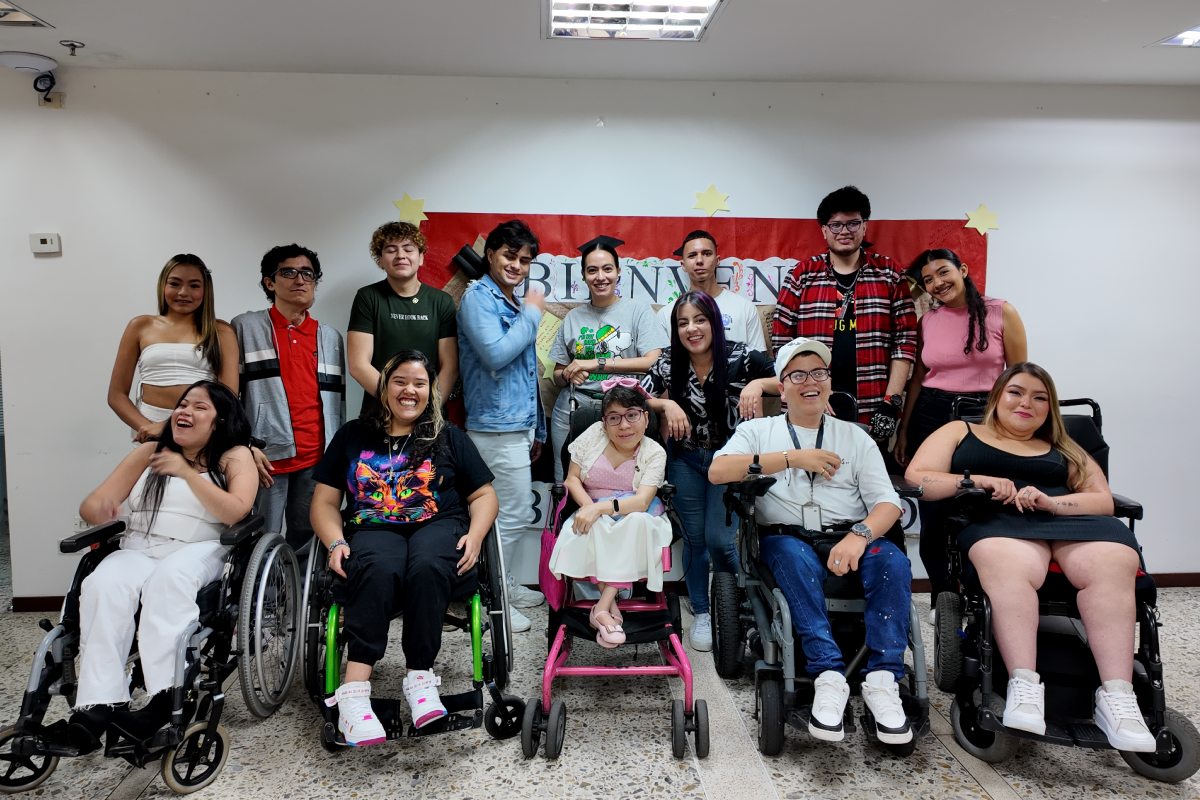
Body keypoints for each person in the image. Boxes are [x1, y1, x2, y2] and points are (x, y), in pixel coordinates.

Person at [904, 362, 1154, 751]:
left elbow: (1101, 499)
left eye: (1040, 397)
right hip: (997, 520)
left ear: (1049, 407)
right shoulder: (961, 431)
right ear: (997, 397)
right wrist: (975, 481)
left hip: (1070, 521)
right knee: (1010, 563)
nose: (1027, 403)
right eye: (1016, 392)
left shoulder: (1065, 445)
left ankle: (1117, 697)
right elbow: (919, 478)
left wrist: (1051, 502)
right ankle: (1024, 684)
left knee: (1113, 561)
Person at [709, 337, 913, 746]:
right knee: (792, 556)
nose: (810, 382)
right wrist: (792, 458)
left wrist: (859, 536)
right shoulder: (758, 430)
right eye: (797, 375)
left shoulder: (855, 436)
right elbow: (718, 471)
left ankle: (883, 679)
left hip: (849, 534)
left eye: (818, 373)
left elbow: (889, 504)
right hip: (787, 538)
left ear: (829, 381)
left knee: (892, 561)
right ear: (781, 386)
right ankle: (828, 674)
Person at [310, 350, 499, 745]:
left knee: (428, 565)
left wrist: (477, 534)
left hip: (439, 522)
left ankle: (420, 679)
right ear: (384, 387)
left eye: (419, 383)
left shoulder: (448, 435)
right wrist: (336, 541)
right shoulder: (352, 435)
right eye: (400, 381)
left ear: (430, 391)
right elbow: (324, 503)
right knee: (377, 567)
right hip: (374, 526)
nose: (409, 391)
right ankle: (354, 695)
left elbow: (483, 495)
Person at [69, 381, 256, 750]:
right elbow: (94, 503)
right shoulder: (151, 452)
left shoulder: (234, 456)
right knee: (104, 583)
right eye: (182, 405)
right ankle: (99, 702)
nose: (185, 411)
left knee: (169, 580)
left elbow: (237, 511)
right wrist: (100, 509)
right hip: (140, 546)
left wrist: (186, 473)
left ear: (219, 422)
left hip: (201, 547)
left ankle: (165, 698)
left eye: (199, 407)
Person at [640, 290, 778, 651]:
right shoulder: (669, 361)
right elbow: (637, 398)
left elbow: (789, 379)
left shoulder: (742, 356)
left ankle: (732, 604)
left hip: (728, 461)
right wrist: (665, 403)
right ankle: (703, 611)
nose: (692, 329)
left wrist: (757, 384)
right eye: (683, 322)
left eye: (700, 320)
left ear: (714, 321)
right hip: (685, 459)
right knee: (696, 539)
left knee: (719, 539)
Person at [892, 248, 1027, 605]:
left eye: (943, 273)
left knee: (985, 504)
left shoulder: (1002, 312)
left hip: (984, 417)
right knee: (934, 509)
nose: (937, 283)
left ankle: (985, 593)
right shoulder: (929, 321)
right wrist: (905, 430)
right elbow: (918, 378)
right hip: (932, 414)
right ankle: (943, 594)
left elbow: (1019, 378)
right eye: (928, 280)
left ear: (963, 270)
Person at [457, 219, 548, 633]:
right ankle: (494, 599)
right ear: (491, 254)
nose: (517, 265)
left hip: (514, 426)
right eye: (510, 256)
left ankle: (505, 583)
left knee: (509, 514)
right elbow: (496, 355)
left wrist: (536, 429)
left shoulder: (508, 301)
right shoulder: (479, 298)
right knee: (507, 516)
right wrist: (532, 313)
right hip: (493, 428)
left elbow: (526, 374)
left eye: (525, 259)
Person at [770, 186, 916, 440]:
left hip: (873, 404)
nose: (845, 231)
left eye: (853, 223)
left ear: (865, 226)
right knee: (808, 474)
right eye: (836, 225)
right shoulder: (802, 275)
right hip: (810, 402)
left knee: (866, 477)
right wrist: (810, 389)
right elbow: (782, 342)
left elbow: (905, 342)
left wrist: (891, 402)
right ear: (824, 230)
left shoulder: (889, 273)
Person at [232, 244, 346, 552]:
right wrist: (244, 446)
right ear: (270, 282)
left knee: (308, 537)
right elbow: (229, 396)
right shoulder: (246, 327)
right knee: (259, 538)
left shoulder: (330, 337)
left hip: (316, 459)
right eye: (288, 272)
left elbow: (339, 405)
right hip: (265, 459)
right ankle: (259, 599)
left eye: (307, 273)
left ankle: (299, 598)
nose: (300, 280)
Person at [548, 380, 673, 648]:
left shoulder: (654, 452)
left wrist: (600, 508)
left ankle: (602, 606)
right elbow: (572, 480)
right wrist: (589, 508)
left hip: (640, 514)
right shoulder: (594, 435)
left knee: (635, 521)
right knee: (598, 525)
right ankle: (608, 607)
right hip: (591, 509)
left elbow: (642, 501)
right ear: (604, 423)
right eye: (614, 418)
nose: (624, 425)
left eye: (632, 415)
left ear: (645, 417)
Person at [549, 236, 668, 482]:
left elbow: (653, 361)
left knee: (622, 483)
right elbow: (557, 375)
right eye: (592, 270)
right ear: (583, 275)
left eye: (607, 269)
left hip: (624, 412)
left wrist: (596, 364)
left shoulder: (638, 310)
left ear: (617, 272)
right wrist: (570, 372)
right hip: (574, 409)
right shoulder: (573, 318)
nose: (600, 277)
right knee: (567, 483)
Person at [108, 254, 239, 442]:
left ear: (206, 290)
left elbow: (228, 397)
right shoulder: (140, 325)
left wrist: (172, 427)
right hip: (150, 429)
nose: (183, 292)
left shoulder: (221, 331)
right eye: (175, 284)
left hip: (202, 430)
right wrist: (147, 427)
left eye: (194, 286)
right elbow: (116, 395)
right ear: (163, 286)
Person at [347, 221, 458, 416]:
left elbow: (450, 366)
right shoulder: (368, 297)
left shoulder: (441, 301)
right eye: (391, 250)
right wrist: (398, 405)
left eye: (408, 249)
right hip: (379, 412)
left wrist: (428, 407)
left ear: (421, 257)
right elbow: (358, 365)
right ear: (380, 260)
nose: (400, 255)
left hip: (429, 413)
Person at [656, 230, 767, 352]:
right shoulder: (666, 314)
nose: (699, 260)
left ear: (717, 260)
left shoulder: (745, 307)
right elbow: (663, 363)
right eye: (692, 255)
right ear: (683, 265)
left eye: (707, 254)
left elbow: (759, 362)